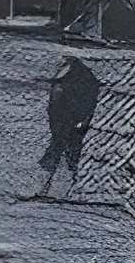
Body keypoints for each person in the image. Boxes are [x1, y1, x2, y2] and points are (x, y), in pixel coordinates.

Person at [36, 56, 103, 198]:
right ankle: (53, 189)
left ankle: (61, 189)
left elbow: (88, 103)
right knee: (62, 152)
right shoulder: (69, 74)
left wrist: (82, 121)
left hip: (70, 123)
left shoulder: (84, 78)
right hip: (64, 122)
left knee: (65, 153)